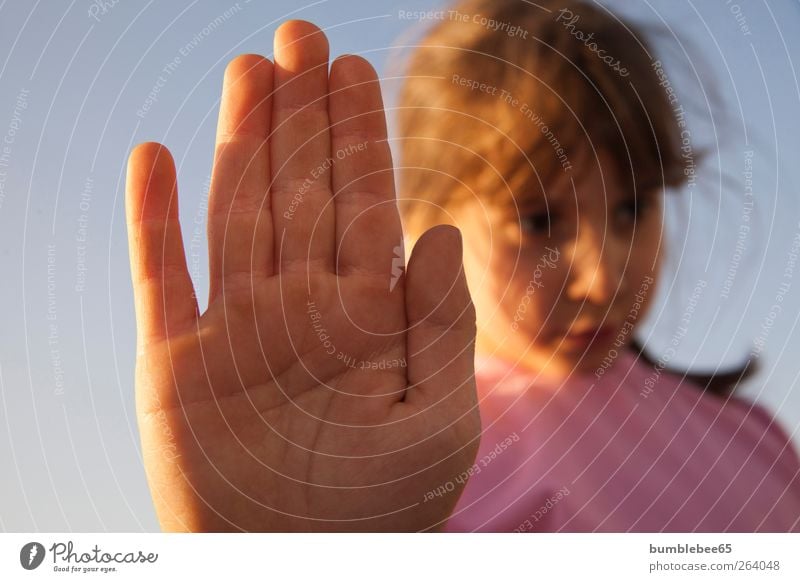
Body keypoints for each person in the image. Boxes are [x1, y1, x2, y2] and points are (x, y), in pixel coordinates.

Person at [124, 1, 800, 532]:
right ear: (418, 226)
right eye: (538, 220)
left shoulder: (757, 442)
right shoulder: (398, 463)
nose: (604, 278)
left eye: (632, 209)